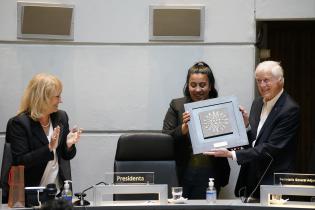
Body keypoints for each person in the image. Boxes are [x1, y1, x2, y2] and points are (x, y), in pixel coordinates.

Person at [205, 61, 300, 199]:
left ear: (280, 81)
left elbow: (271, 148)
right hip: (252, 178)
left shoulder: (290, 109)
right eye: (258, 81)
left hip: (274, 180)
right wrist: (243, 127)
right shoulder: (257, 103)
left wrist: (232, 154)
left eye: (266, 80)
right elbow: (255, 140)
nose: (262, 85)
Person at [162, 61, 230, 199]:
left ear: (210, 86)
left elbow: (232, 144)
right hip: (183, 172)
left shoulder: (219, 107)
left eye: (202, 85)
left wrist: (241, 125)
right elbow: (165, 138)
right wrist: (183, 129)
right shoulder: (177, 105)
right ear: (188, 85)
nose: (198, 89)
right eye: (193, 85)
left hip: (212, 171)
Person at [5, 73, 81, 192]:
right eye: (57, 96)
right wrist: (49, 147)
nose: (61, 100)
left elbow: (66, 156)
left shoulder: (61, 117)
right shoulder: (19, 123)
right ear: (43, 98)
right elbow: (20, 162)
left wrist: (68, 145)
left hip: (56, 192)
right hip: (29, 195)